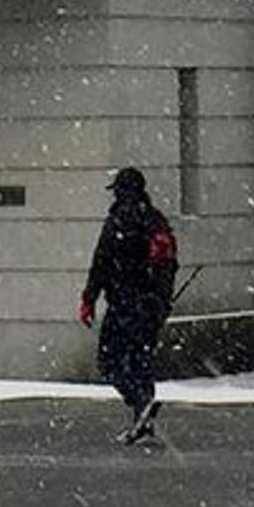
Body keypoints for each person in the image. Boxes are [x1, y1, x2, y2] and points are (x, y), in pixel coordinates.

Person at [78, 165, 178, 447]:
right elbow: (167, 264)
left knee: (109, 361)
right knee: (141, 360)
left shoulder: (117, 222)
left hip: (123, 302)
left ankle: (139, 404)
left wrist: (89, 299)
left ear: (121, 192)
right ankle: (142, 414)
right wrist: (162, 300)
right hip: (148, 304)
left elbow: (101, 263)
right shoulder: (156, 222)